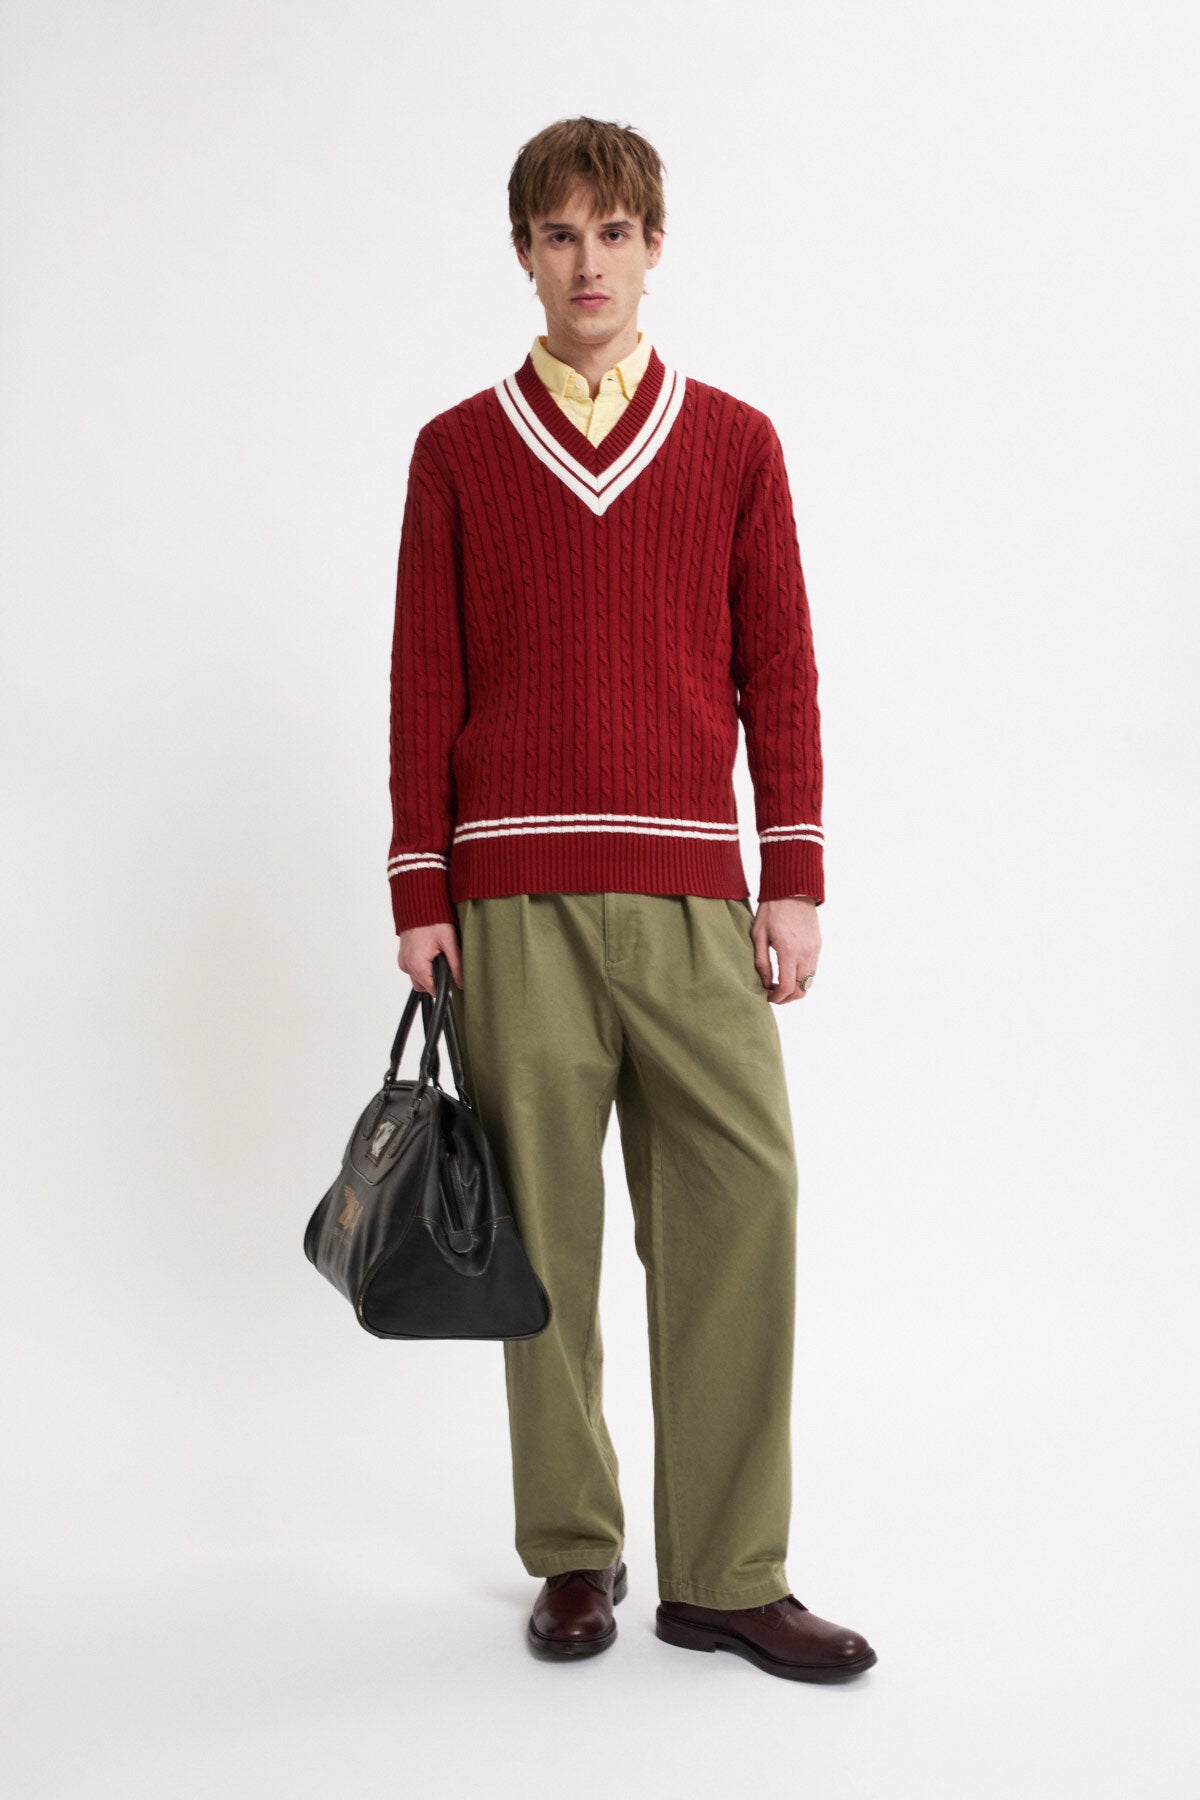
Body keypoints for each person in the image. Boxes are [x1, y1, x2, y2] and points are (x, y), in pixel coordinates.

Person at [387, 115, 876, 1682]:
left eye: (612, 232)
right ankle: (574, 1551)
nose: (586, 263)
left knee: (746, 1200)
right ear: (523, 255)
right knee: (541, 1236)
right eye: (558, 235)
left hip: (691, 901)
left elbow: (780, 667)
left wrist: (793, 876)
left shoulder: (734, 443)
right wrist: (420, 884)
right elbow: (425, 679)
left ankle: (727, 1573)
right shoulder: (459, 452)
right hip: (511, 901)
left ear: (655, 246)